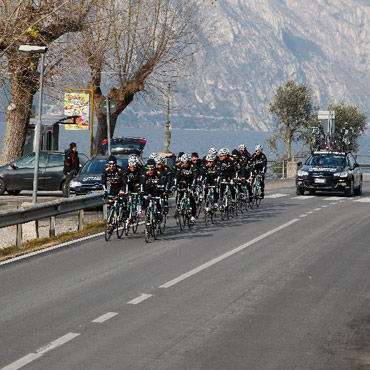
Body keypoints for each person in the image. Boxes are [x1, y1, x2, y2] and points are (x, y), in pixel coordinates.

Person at [174, 153, 198, 224]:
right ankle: (179, 207)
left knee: (191, 198)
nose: (184, 164)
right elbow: (177, 176)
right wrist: (175, 185)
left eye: (186, 163)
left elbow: (195, 177)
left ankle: (193, 216)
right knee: (181, 191)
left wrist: (193, 187)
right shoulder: (180, 165)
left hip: (191, 181)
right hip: (183, 180)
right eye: (183, 163)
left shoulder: (193, 166)